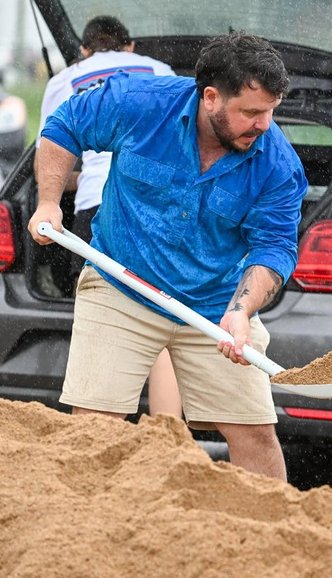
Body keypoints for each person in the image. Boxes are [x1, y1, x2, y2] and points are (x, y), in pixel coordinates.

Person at [28, 31, 308, 481]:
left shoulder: (276, 163)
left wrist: (241, 312)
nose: (263, 125)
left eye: (270, 113)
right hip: (122, 284)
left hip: (215, 303)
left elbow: (274, 247)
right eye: (251, 112)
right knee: (94, 427)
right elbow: (65, 125)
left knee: (256, 434)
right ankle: (87, 531)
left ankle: (268, 536)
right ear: (211, 98)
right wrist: (48, 202)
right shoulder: (140, 103)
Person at [34, 15, 181, 419]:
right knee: (160, 313)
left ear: (83, 50)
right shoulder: (160, 71)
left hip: (97, 209)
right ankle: (167, 431)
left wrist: (75, 183)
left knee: (107, 317)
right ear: (129, 46)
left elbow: (51, 150)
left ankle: (100, 424)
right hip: (153, 206)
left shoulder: (66, 80)